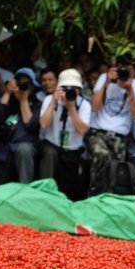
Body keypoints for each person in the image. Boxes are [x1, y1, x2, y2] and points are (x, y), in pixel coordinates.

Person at [86, 60, 135, 195]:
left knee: (115, 170)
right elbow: (94, 107)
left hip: (119, 137)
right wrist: (107, 83)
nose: (125, 72)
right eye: (121, 69)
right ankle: (93, 197)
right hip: (98, 133)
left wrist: (130, 90)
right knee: (101, 155)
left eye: (128, 69)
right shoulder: (104, 78)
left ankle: (109, 200)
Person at [39, 69, 91, 201]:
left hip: (72, 150)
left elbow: (82, 130)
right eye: (66, 88)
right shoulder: (49, 100)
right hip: (52, 144)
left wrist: (72, 108)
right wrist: (53, 102)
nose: (70, 91)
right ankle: (44, 195)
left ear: (79, 89)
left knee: (67, 188)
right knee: (49, 154)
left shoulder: (84, 105)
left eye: (74, 88)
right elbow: (43, 124)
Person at [0, 68, 42, 185]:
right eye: (20, 82)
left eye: (26, 84)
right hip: (3, 148)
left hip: (24, 148)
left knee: (24, 150)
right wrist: (8, 92)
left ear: (32, 87)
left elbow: (30, 125)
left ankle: (24, 192)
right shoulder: (7, 97)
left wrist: (23, 100)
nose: (23, 86)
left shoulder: (37, 105)